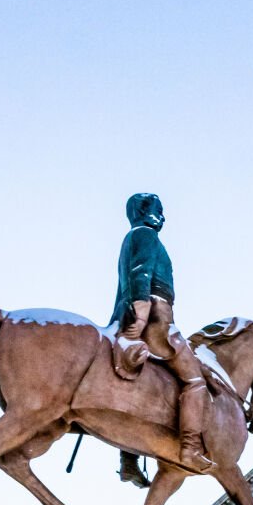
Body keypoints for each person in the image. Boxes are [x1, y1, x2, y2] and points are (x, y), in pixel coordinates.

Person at [108, 193, 215, 481]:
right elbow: (139, 273)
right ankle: (190, 449)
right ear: (145, 212)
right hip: (156, 316)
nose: (163, 217)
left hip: (132, 314)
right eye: (158, 210)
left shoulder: (132, 237)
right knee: (194, 381)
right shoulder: (145, 235)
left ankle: (128, 460)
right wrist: (141, 315)